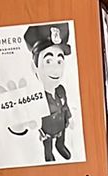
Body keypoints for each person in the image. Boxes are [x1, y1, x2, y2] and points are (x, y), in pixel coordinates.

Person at [25, 23, 72, 163]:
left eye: (59, 61)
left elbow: (65, 105)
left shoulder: (61, 90)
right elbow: (32, 118)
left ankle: (60, 145)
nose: (55, 69)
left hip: (61, 124)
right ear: (35, 66)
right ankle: (49, 154)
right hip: (47, 128)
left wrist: (67, 117)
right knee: (48, 143)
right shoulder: (37, 96)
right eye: (49, 61)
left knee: (61, 137)